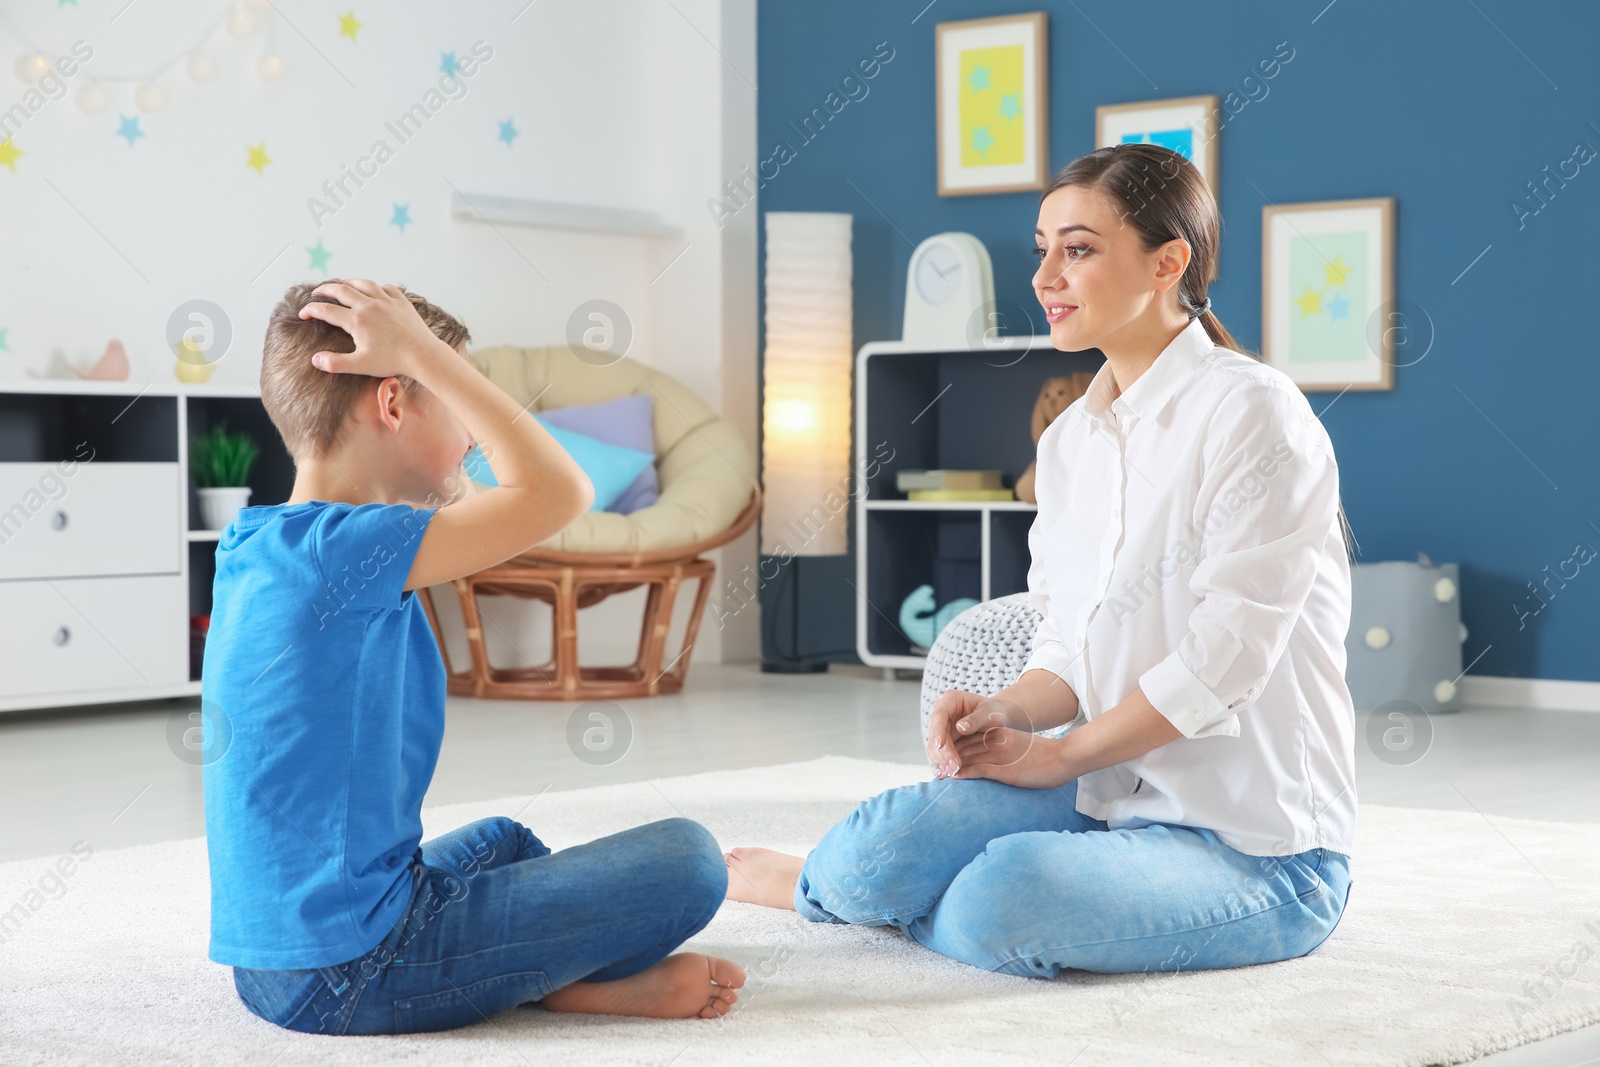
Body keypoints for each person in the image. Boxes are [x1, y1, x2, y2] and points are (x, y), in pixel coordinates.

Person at [725, 143, 1359, 979]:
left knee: (1003, 897)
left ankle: (879, 909)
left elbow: (1224, 661)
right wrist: (1008, 714)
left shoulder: (1254, 412)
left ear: (1169, 262)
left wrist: (1061, 755)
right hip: (1107, 799)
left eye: (1079, 249)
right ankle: (842, 888)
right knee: (878, 849)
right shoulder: (1068, 445)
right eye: (1043, 249)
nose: (1044, 277)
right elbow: (1066, 649)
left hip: (1259, 847)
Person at [202, 278, 744, 1034]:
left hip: (274, 963)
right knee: (690, 858)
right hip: (350, 969)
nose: (471, 437)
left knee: (505, 841)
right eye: (458, 398)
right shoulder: (353, 546)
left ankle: (548, 973)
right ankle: (556, 977)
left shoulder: (259, 540)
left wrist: (424, 363)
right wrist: (426, 352)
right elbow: (561, 491)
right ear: (394, 401)